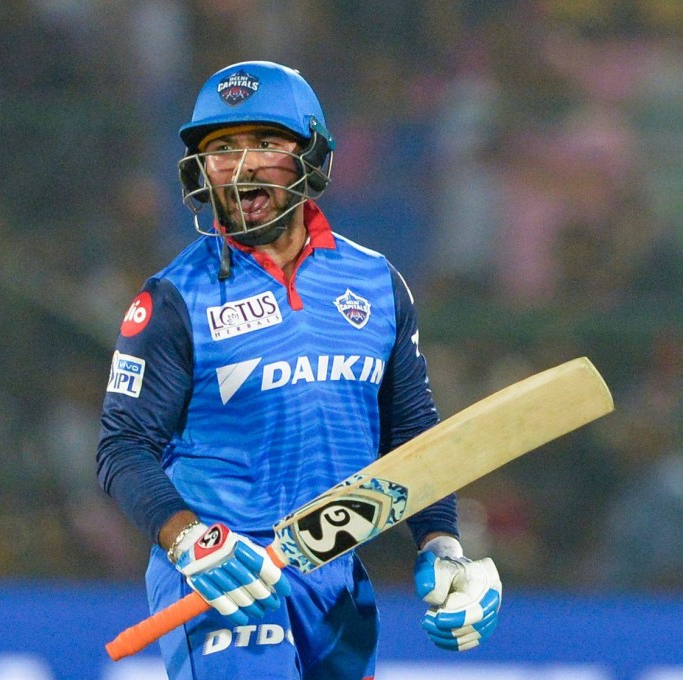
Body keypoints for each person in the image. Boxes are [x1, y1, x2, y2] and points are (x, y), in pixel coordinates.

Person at [96, 60, 502, 680]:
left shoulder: (376, 283)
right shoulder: (174, 299)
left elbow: (413, 435)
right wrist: (189, 541)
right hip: (225, 573)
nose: (241, 165)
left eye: (265, 143)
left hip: (336, 577)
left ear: (311, 155)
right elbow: (123, 447)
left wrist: (441, 544)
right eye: (221, 149)